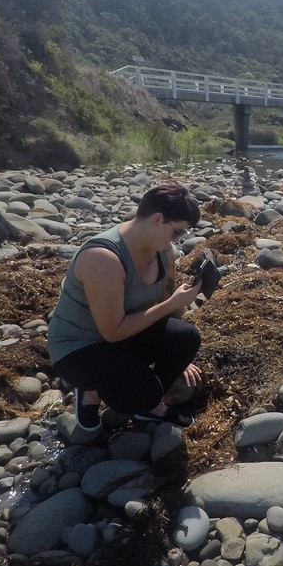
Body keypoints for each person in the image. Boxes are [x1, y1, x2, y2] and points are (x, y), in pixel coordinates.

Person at [47, 182, 204, 432]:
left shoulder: (163, 251)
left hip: (123, 337)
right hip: (79, 348)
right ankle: (91, 390)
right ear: (158, 219)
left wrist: (179, 359)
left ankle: (147, 402)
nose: (177, 239)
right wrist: (172, 304)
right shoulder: (103, 258)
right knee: (145, 391)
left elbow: (167, 305)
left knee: (186, 337)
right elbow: (113, 332)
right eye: (176, 232)